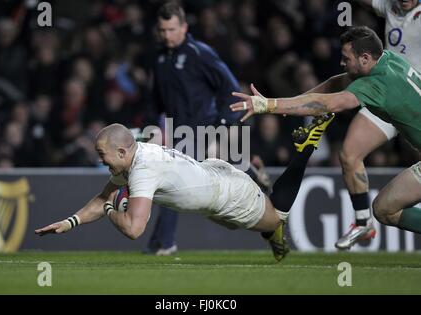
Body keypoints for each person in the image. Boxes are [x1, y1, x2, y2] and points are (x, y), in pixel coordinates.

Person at [35, 116, 334, 262]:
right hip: (213, 183)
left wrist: (115, 205)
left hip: (228, 194)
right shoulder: (134, 158)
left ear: (123, 153)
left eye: (103, 155)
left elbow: (133, 229)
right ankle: (255, 177)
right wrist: (70, 222)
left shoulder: (142, 171)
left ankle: (304, 150)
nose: (99, 160)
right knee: (235, 226)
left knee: (276, 216)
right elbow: (102, 198)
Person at [230, 26, 421, 239]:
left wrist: (269, 105)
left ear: (365, 58)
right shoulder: (388, 59)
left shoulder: (376, 84)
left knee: (385, 209)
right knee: (384, 208)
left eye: (346, 58)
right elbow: (333, 84)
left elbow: (327, 103)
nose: (341, 62)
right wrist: (290, 105)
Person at [144, 2, 246, 255]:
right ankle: (161, 242)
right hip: (176, 132)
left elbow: (231, 91)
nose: (167, 35)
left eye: (171, 29)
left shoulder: (199, 53)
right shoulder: (159, 57)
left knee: (170, 183)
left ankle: (163, 243)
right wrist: (151, 128)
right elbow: (156, 99)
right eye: (163, 30)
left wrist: (221, 126)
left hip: (202, 130)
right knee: (170, 184)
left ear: (184, 27)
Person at [327, 0, 421, 250]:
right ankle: (362, 223)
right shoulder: (388, 5)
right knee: (349, 154)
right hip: (383, 94)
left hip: (413, 101)